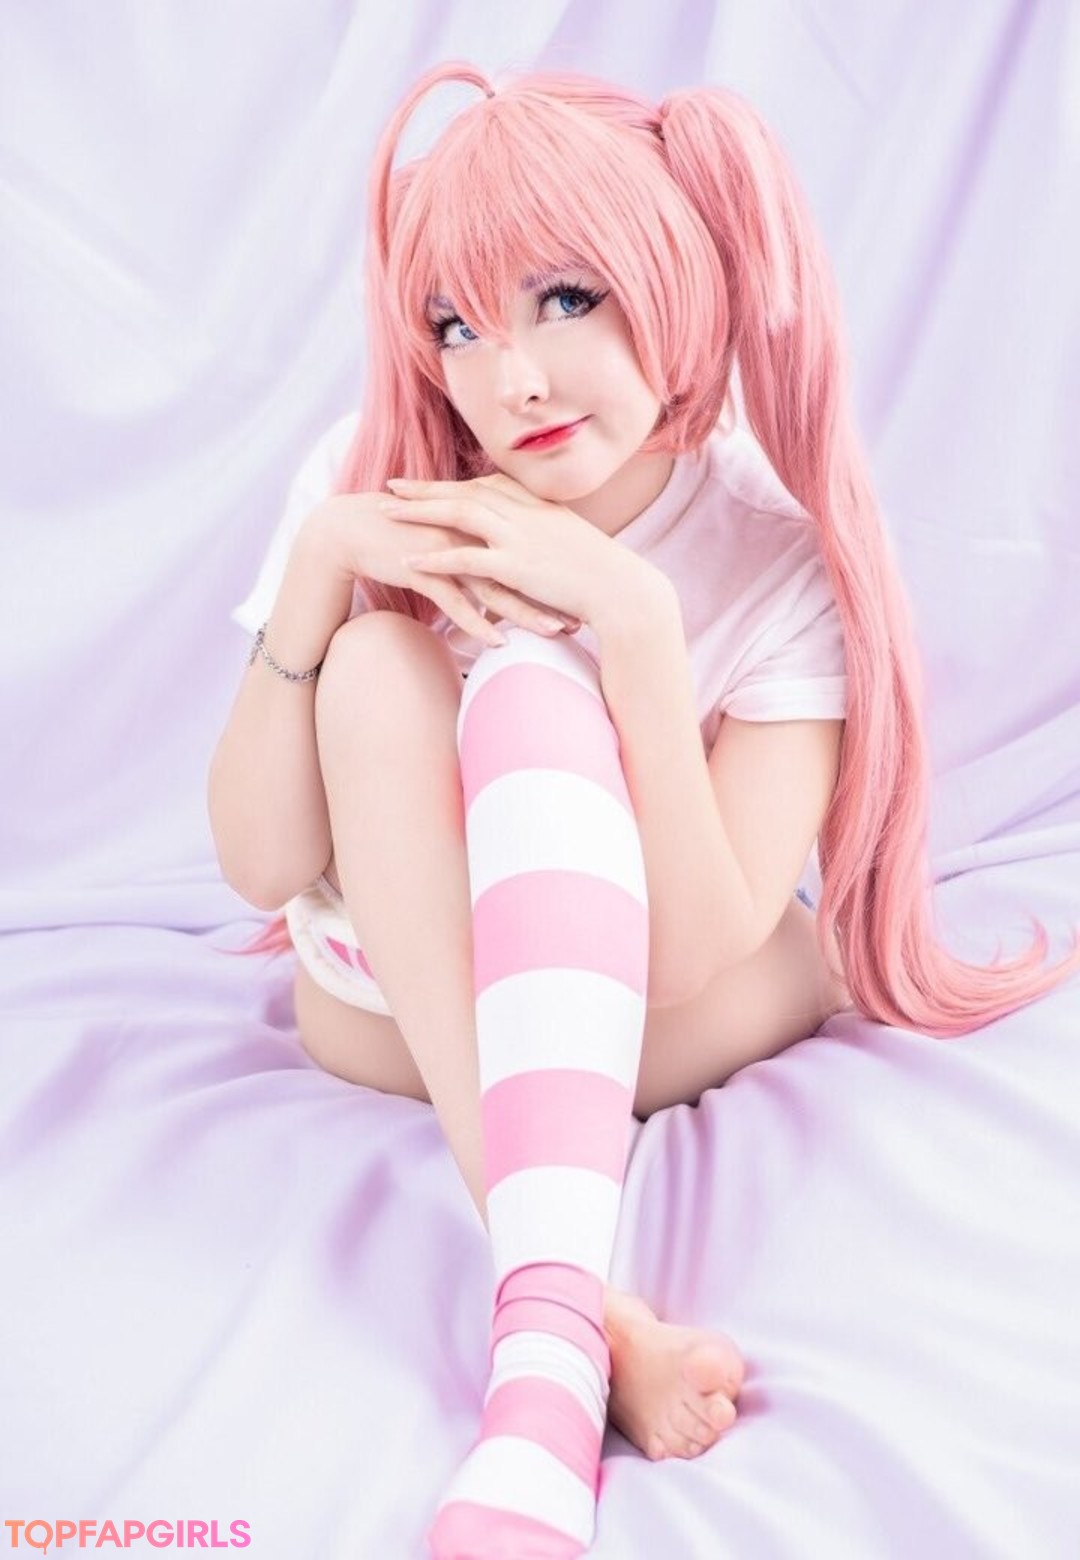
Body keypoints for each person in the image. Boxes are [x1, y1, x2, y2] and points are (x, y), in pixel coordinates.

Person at [207, 59, 1080, 1560]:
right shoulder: (378, 489)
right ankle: (578, 1322)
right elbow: (260, 865)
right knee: (381, 668)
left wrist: (635, 625)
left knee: (546, 704)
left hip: (635, 1012)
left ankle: (541, 1364)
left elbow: (687, 951)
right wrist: (319, 573)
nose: (512, 382)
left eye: (564, 300)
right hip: (378, 1013)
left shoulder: (772, 554)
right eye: (457, 327)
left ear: (674, 271)